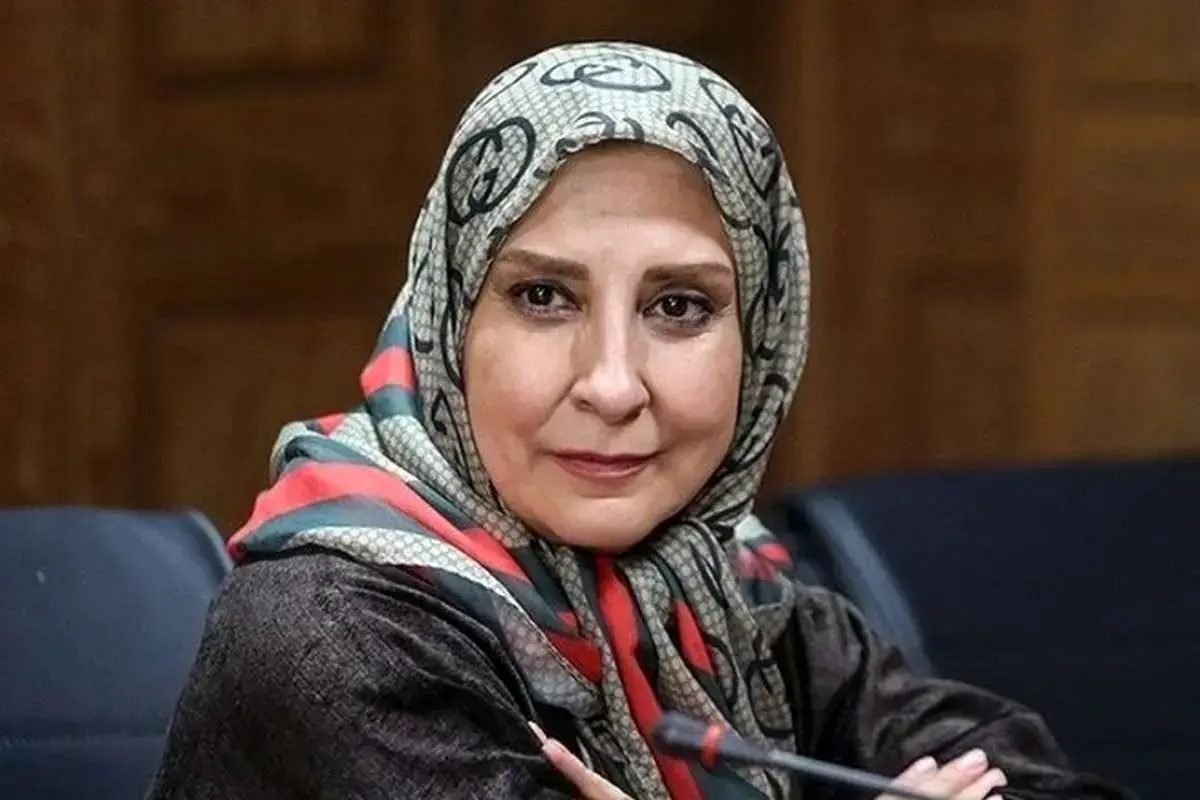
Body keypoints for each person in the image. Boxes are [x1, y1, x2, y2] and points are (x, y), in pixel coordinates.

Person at [149, 42, 1131, 800]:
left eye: (679, 306)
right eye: (543, 296)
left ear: (762, 340)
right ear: (449, 321)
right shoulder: (328, 635)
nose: (613, 385)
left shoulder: (731, 596)